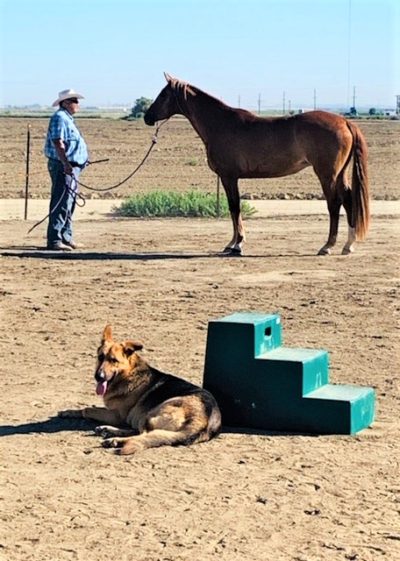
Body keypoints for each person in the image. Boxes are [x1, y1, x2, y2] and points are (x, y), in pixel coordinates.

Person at [44, 89, 89, 250]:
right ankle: (55, 239)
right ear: (66, 103)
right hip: (64, 166)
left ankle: (66, 236)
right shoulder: (60, 118)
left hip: (71, 166)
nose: (78, 104)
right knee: (62, 202)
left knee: (69, 203)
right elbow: (58, 142)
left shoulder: (67, 119)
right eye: (75, 101)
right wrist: (66, 163)